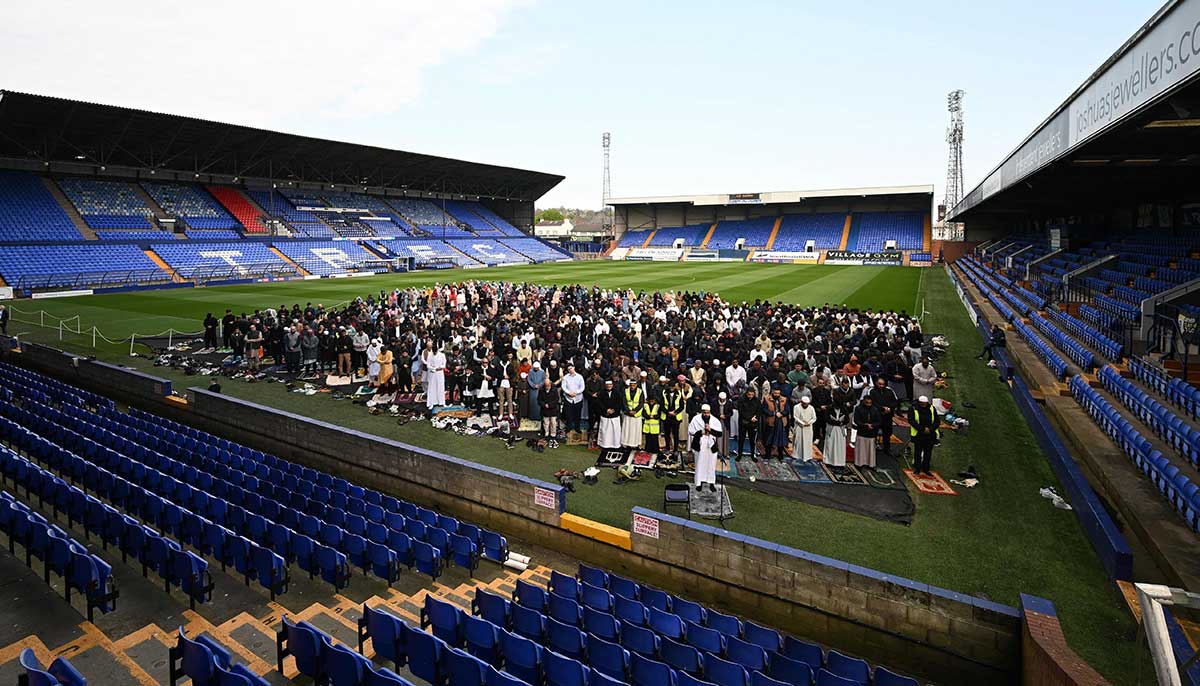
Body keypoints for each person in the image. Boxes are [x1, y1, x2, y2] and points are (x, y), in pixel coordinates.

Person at [689, 403, 723, 491]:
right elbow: (691, 431)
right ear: (701, 412)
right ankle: (698, 483)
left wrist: (710, 430)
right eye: (704, 413)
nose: (706, 414)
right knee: (699, 463)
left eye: (708, 413)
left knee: (711, 464)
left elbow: (719, 433)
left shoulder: (715, 421)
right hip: (700, 444)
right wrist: (702, 432)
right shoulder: (696, 419)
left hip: (711, 445)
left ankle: (711, 482)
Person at [868, 376, 899, 457]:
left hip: (887, 416)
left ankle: (887, 448)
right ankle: (872, 448)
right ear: (876, 383)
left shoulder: (890, 390)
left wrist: (889, 408)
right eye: (880, 384)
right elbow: (871, 402)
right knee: (873, 432)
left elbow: (895, 401)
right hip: (876, 416)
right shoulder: (872, 391)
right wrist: (882, 408)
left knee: (887, 433)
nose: (881, 386)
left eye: (883, 384)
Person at [910, 395, 940, 475]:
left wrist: (930, 429)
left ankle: (926, 468)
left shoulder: (932, 408)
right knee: (918, 452)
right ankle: (917, 468)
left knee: (928, 452)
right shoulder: (913, 409)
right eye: (922, 403)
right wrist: (922, 429)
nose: (924, 405)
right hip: (918, 434)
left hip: (930, 434)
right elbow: (912, 421)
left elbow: (937, 421)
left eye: (925, 403)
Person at [853, 395, 882, 469]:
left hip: (871, 432)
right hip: (862, 431)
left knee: (870, 450)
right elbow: (856, 420)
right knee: (861, 449)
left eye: (870, 403)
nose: (868, 404)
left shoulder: (875, 409)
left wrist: (872, 425)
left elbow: (878, 421)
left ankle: (870, 464)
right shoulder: (858, 408)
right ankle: (859, 463)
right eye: (867, 403)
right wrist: (864, 425)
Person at [760, 387, 790, 459]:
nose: (777, 395)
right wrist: (773, 413)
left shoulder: (784, 399)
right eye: (775, 393)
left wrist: (781, 413)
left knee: (781, 439)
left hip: (781, 421)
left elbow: (787, 410)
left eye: (778, 393)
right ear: (772, 392)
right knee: (769, 439)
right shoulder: (767, 399)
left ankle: (780, 455)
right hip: (771, 421)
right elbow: (764, 409)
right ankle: (767, 454)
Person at [735, 386, 761, 458]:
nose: (750, 396)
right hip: (743, 422)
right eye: (749, 394)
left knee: (752, 440)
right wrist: (750, 418)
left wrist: (755, 417)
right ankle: (739, 454)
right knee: (741, 439)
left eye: (752, 395)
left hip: (753, 423)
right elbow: (741, 411)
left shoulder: (757, 400)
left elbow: (759, 411)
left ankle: (753, 454)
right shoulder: (741, 399)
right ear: (746, 393)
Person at [597, 379, 623, 449]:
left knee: (615, 430)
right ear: (605, 385)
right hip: (605, 414)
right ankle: (604, 444)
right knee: (605, 430)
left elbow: (619, 402)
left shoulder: (617, 392)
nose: (609, 386)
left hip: (614, 415)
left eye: (610, 385)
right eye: (607, 385)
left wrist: (613, 410)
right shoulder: (601, 393)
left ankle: (615, 444)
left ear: (612, 385)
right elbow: (599, 403)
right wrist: (606, 410)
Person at [824, 399, 849, 466]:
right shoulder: (829, 408)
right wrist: (836, 422)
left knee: (840, 446)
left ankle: (840, 462)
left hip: (840, 430)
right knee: (830, 445)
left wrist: (841, 423)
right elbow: (826, 419)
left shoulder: (844, 409)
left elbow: (847, 420)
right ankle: (829, 461)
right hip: (831, 429)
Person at [791, 396, 817, 461]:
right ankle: (796, 455)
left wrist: (809, 423)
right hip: (799, 427)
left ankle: (807, 456)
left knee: (807, 442)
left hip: (808, 427)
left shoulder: (811, 408)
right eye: (804, 404)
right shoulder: (796, 407)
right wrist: (802, 423)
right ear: (801, 402)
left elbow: (814, 418)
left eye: (807, 404)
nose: (806, 405)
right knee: (798, 441)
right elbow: (795, 417)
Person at [561, 364, 585, 433]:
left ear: (574, 368)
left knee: (577, 414)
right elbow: (563, 387)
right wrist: (569, 393)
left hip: (578, 398)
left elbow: (582, 387)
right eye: (568, 369)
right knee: (569, 415)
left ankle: (577, 428)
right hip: (568, 399)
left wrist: (576, 393)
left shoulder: (580, 377)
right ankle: (569, 427)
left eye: (571, 368)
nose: (570, 370)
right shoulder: (565, 377)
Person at [621, 379, 645, 449]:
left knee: (636, 430)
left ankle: (635, 444)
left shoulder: (640, 391)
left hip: (636, 414)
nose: (632, 386)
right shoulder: (625, 391)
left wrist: (635, 410)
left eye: (634, 385)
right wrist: (629, 411)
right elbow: (624, 402)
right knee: (627, 429)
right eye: (631, 385)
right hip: (628, 414)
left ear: (636, 385)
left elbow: (641, 402)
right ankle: (626, 443)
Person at [425, 345, 447, 410]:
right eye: (433, 352)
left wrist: (439, 367)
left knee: (440, 387)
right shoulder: (430, 355)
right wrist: (434, 368)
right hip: (432, 373)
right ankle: (431, 403)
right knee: (432, 388)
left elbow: (444, 365)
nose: (434, 353)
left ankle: (442, 402)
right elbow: (428, 365)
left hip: (440, 373)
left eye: (435, 352)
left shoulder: (442, 355)